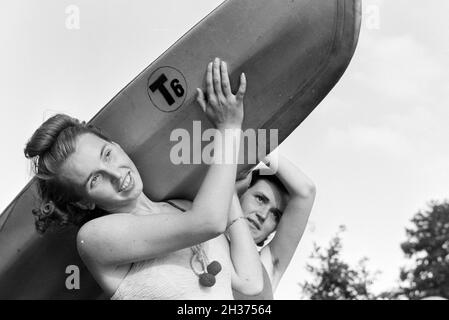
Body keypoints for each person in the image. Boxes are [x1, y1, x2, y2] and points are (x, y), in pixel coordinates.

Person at [24, 58, 263, 299]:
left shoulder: (184, 208)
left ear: (115, 145)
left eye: (107, 155)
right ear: (84, 202)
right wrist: (229, 128)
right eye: (94, 180)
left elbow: (249, 282)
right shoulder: (94, 238)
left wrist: (227, 191)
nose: (116, 174)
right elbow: (208, 222)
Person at [233, 153, 316, 299]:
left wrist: (258, 144)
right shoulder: (201, 238)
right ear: (240, 193)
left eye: (275, 214)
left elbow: (306, 192)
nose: (263, 215)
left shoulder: (268, 265)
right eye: (260, 199)